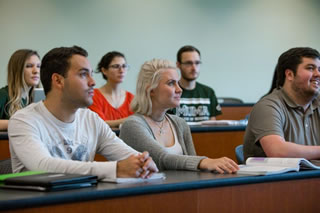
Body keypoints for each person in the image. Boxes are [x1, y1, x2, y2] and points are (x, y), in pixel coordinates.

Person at [8, 46, 158, 179]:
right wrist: (115, 169)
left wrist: (143, 161)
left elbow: (128, 155)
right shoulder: (23, 120)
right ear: (58, 81)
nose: (93, 82)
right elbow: (42, 166)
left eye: (91, 74)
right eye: (83, 74)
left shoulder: (91, 119)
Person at [120, 59, 239, 173]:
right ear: (151, 90)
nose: (179, 89)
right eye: (171, 83)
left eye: (178, 83)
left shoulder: (180, 123)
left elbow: (194, 166)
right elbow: (163, 159)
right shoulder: (132, 125)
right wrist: (205, 161)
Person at [243, 47, 320, 161]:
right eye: (310, 68)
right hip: (278, 178)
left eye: (319, 69)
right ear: (289, 74)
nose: (318, 74)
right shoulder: (267, 106)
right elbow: (277, 151)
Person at [169, 45, 221, 122]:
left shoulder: (208, 92)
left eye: (197, 63)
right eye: (188, 63)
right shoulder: (170, 92)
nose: (194, 68)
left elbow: (212, 125)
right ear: (178, 65)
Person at [88, 51, 134, 128]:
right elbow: (99, 124)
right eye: (116, 66)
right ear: (104, 70)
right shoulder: (93, 96)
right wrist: (130, 120)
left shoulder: (131, 98)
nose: (121, 70)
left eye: (124, 66)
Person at [0, 49, 41, 130]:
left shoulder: (37, 99)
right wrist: (19, 123)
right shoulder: (3, 95)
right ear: (17, 70)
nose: (36, 71)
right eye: (29, 66)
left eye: (38, 66)